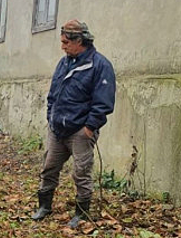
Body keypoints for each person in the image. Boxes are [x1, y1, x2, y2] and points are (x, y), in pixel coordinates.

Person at [32, 19, 116, 228]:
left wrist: (89, 127)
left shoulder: (100, 65)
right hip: (57, 129)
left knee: (81, 172)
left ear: (79, 41)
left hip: (80, 131)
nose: (62, 47)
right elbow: (53, 93)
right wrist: (51, 116)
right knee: (49, 167)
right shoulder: (64, 62)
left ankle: (81, 213)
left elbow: (104, 102)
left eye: (65, 42)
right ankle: (44, 206)